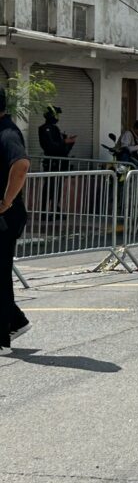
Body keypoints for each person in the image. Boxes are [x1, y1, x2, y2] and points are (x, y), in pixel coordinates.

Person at [0, 88, 31, 355]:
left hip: (5, 217)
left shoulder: (7, 133)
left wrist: (6, 201)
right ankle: (16, 321)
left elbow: (21, 165)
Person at [38, 106, 75, 211]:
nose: (57, 117)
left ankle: (55, 209)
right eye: (56, 114)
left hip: (60, 163)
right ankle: (45, 211)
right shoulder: (45, 128)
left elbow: (62, 149)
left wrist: (69, 142)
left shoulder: (55, 128)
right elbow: (50, 146)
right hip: (52, 163)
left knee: (58, 187)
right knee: (50, 187)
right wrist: (64, 142)